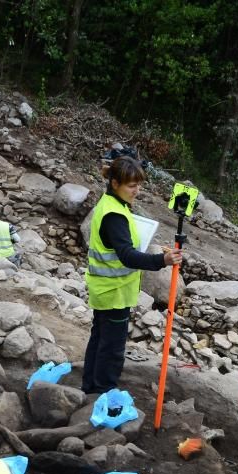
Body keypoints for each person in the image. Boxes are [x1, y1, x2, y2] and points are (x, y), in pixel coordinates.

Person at [81, 156, 183, 394]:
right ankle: (103, 394)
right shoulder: (114, 215)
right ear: (115, 183)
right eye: (132, 185)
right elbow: (127, 255)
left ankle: (89, 388)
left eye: (139, 185)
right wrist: (162, 260)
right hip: (114, 293)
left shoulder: (111, 204)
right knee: (112, 348)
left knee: (99, 340)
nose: (137, 190)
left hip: (105, 290)